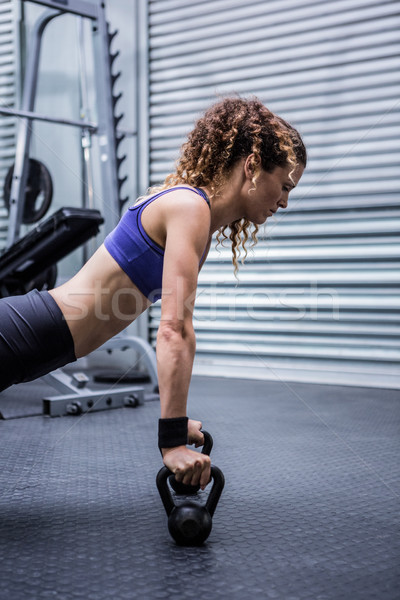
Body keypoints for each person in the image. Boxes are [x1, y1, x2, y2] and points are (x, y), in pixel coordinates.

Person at [0, 96, 307, 490]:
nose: (284, 201)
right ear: (251, 166)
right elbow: (174, 330)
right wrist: (172, 441)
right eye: (284, 186)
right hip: (26, 332)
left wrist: (176, 422)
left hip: (39, 343)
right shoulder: (189, 207)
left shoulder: (197, 216)